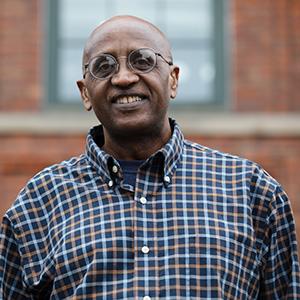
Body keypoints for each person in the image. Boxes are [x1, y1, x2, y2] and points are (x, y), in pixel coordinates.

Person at [0, 15, 299, 299]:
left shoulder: (252, 192)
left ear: (173, 79)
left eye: (142, 60)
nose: (124, 78)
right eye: (103, 66)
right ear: (85, 93)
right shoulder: (38, 203)